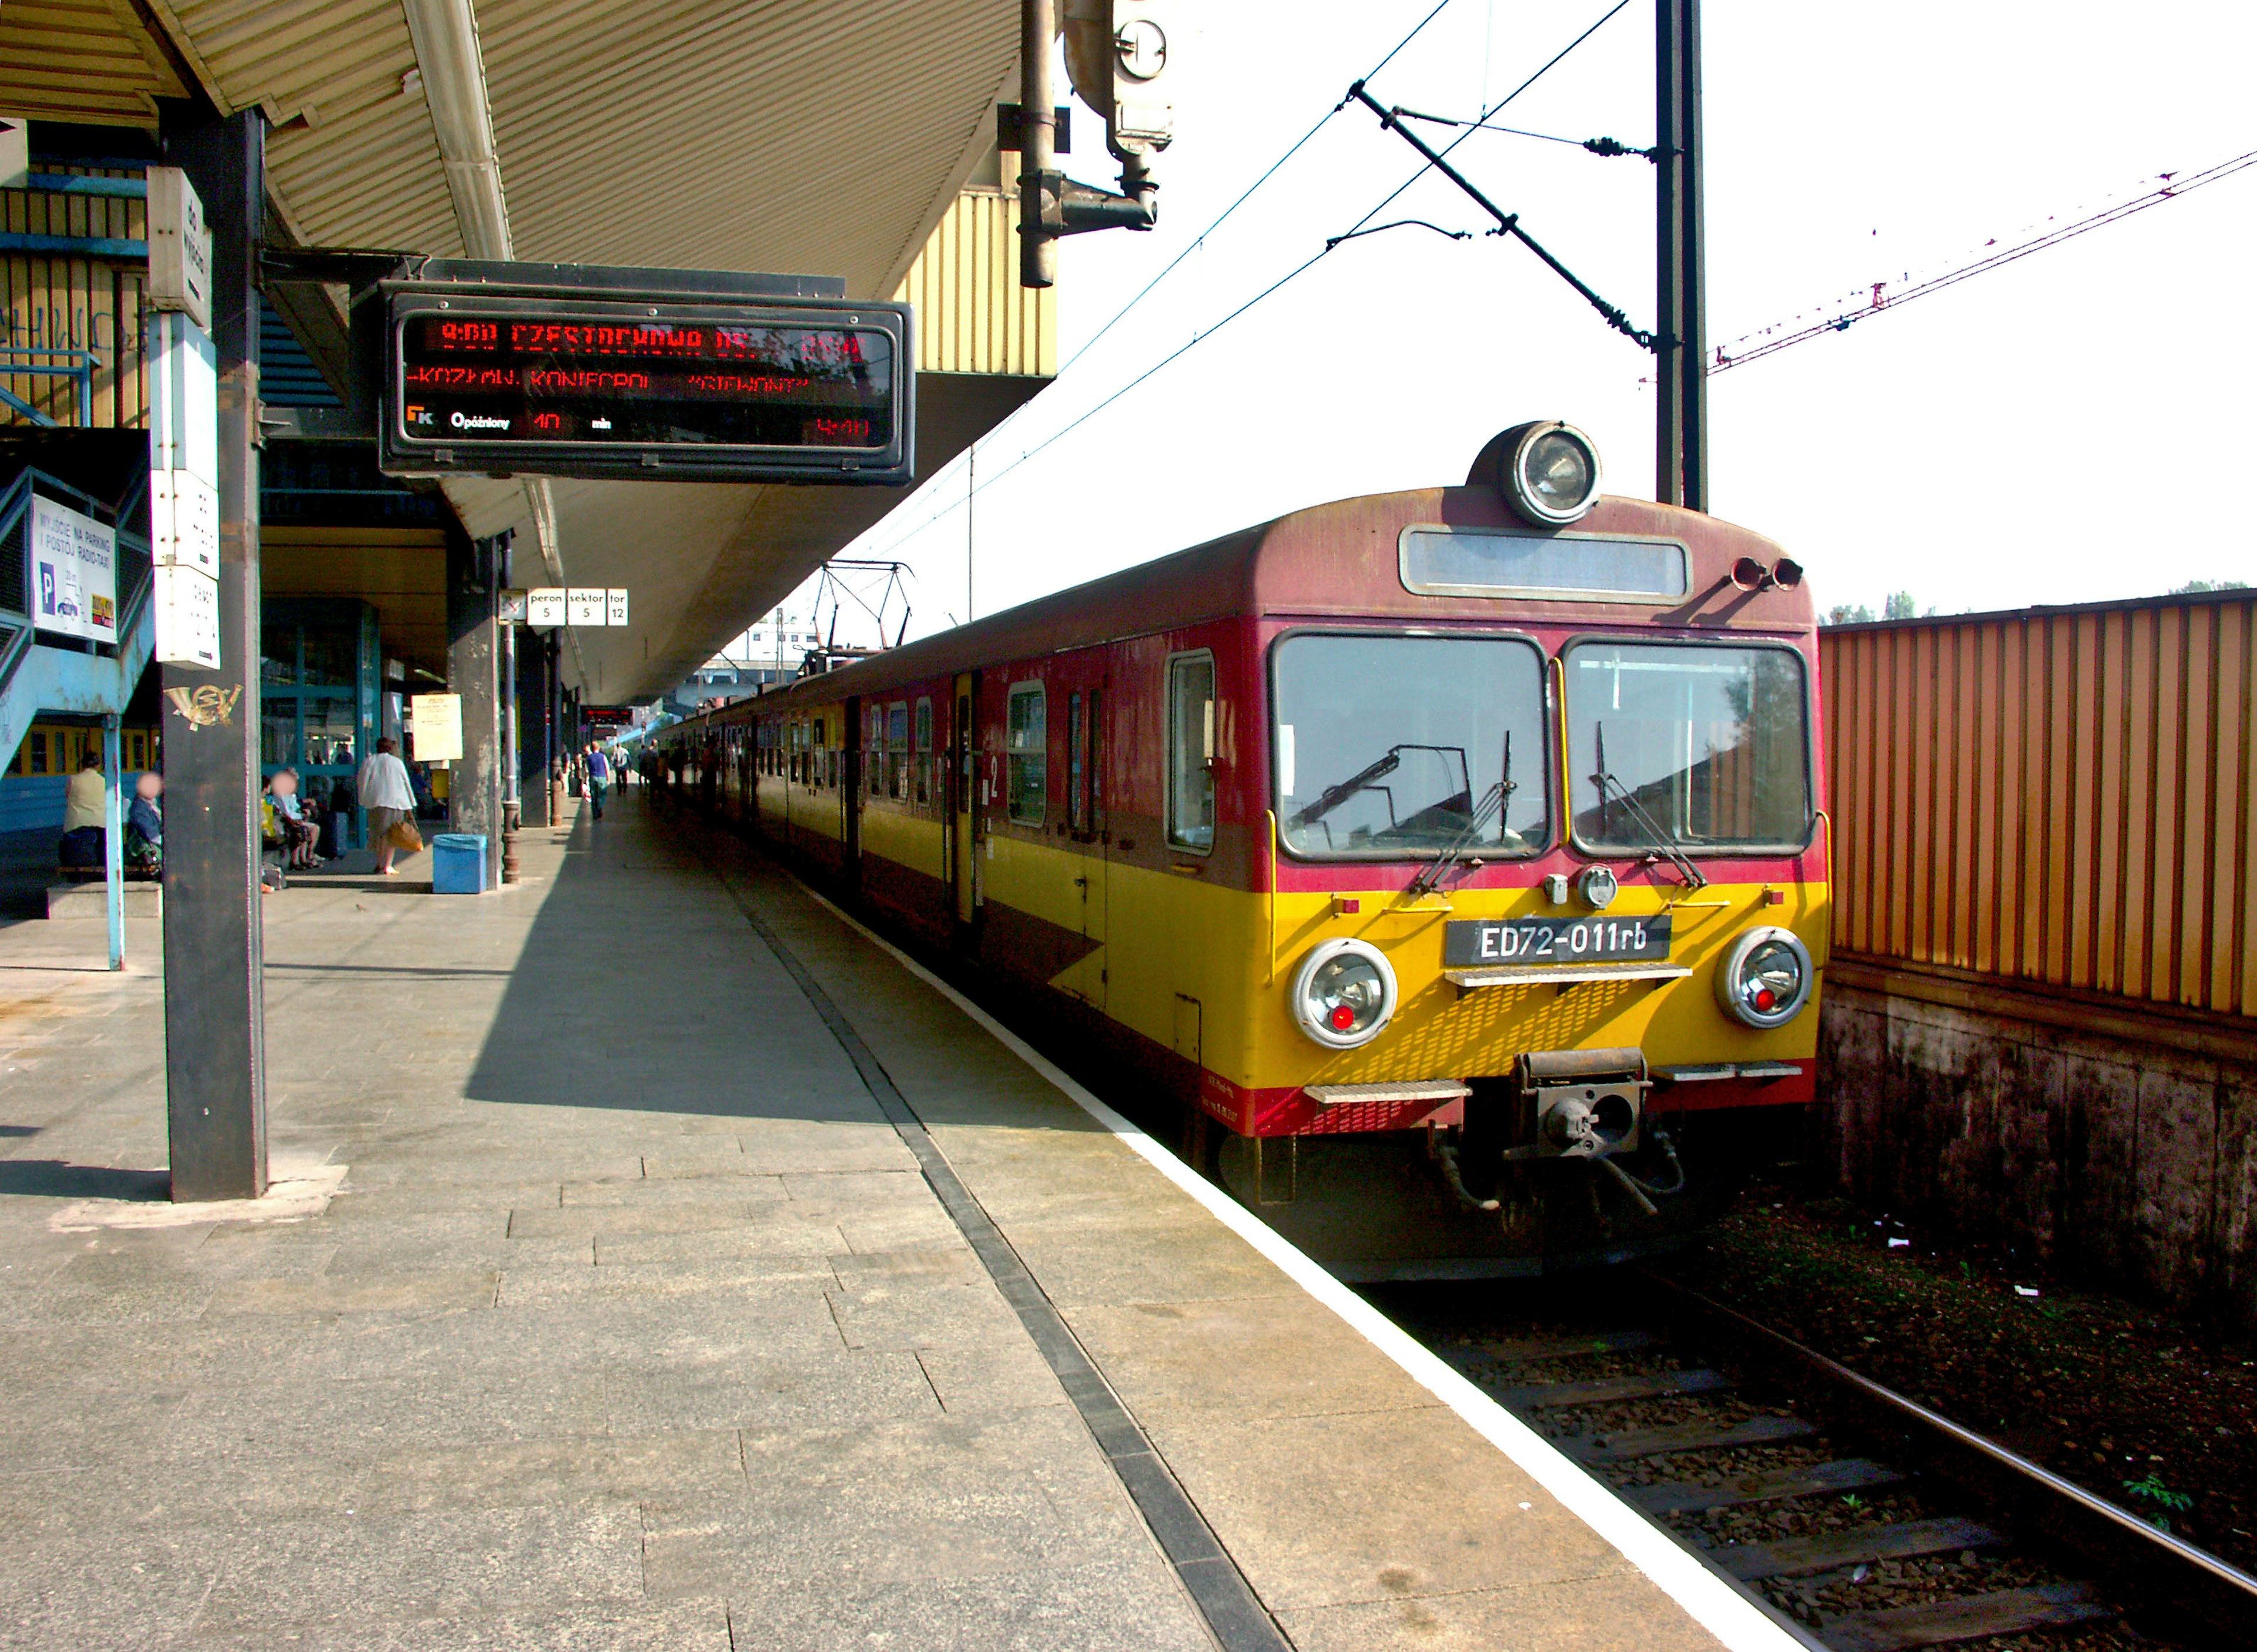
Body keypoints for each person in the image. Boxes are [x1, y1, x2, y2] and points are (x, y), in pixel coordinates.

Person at [357, 737, 418, 875]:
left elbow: (363, 781)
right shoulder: (397, 763)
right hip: (396, 803)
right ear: (390, 748)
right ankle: (388, 865)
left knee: (379, 834)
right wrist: (411, 803)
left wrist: (363, 799)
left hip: (376, 802)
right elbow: (405, 783)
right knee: (392, 835)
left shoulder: (370, 761)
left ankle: (379, 863)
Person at [267, 768, 322, 869]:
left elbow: (296, 807)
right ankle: (296, 861)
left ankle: (308, 855)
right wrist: (300, 817)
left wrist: (303, 813)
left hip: (296, 819)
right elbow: (286, 812)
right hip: (286, 821)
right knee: (302, 831)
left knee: (315, 828)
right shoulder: (281, 795)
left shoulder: (292, 795)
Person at [58, 750, 105, 870]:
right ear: (98, 765)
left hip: (76, 824)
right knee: (100, 853)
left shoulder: (73, 780)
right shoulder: (104, 781)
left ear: (82, 764)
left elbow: (68, 795)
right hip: (99, 823)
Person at [125, 772, 162, 877]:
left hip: (155, 847)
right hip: (146, 852)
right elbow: (152, 835)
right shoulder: (139, 809)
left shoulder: (153, 803)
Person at [585, 742, 610, 819]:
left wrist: (586, 780)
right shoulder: (603, 757)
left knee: (594, 795)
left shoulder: (589, 758)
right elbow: (607, 768)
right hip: (602, 777)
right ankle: (600, 807)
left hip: (593, 777)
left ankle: (595, 813)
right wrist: (608, 779)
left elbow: (587, 770)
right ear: (598, 748)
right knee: (603, 794)